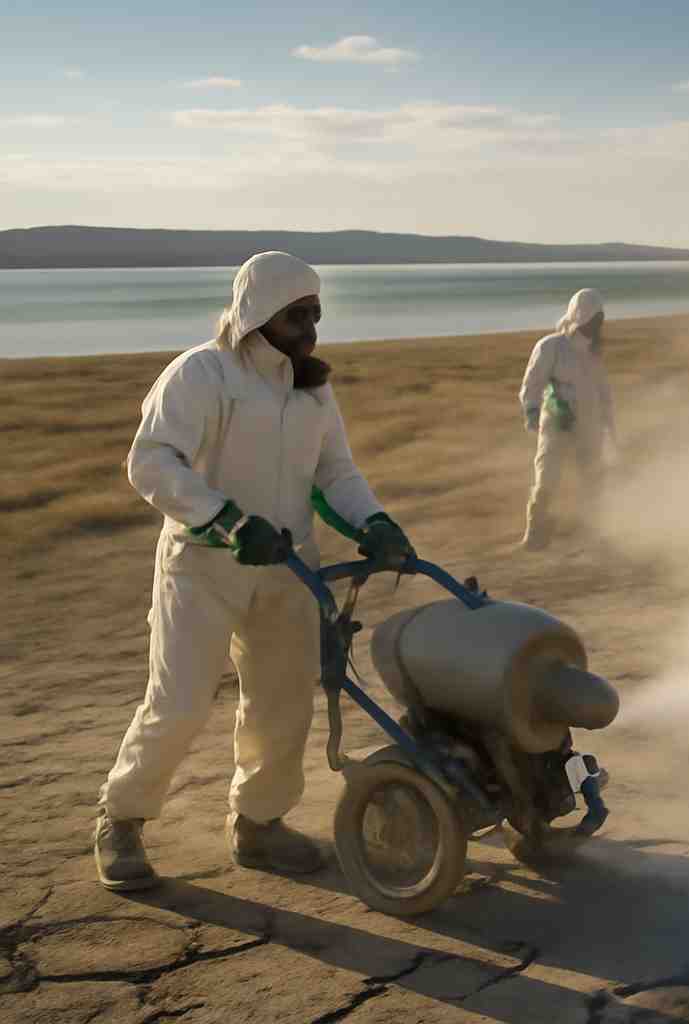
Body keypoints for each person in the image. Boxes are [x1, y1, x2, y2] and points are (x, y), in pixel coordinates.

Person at [95, 251, 414, 891]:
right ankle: (121, 819)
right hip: (203, 567)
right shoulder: (200, 374)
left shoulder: (311, 389)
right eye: (298, 314)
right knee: (180, 702)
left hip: (290, 567)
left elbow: (335, 474)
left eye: (316, 313)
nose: (310, 327)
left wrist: (375, 521)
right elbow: (152, 462)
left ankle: (258, 824)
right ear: (259, 311)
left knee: (283, 701)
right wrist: (228, 520)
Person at [518, 288, 617, 550]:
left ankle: (593, 535)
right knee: (546, 478)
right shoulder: (551, 346)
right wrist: (533, 414)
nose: (596, 327)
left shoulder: (594, 355)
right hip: (555, 425)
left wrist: (609, 428)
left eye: (600, 321)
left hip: (589, 425)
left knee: (593, 479)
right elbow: (532, 384)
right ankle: (535, 535)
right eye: (593, 320)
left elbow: (604, 394)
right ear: (579, 315)